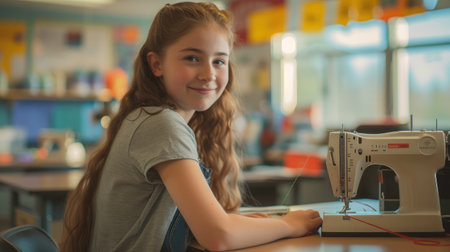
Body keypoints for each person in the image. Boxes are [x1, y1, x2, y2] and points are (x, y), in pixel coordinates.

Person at [60, 2, 322, 252]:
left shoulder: (148, 117)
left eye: (219, 61)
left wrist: (249, 224)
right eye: (192, 59)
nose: (208, 73)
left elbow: (205, 226)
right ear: (156, 64)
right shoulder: (161, 123)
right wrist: (287, 225)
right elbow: (218, 235)